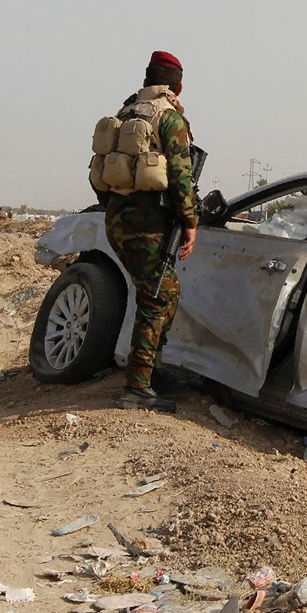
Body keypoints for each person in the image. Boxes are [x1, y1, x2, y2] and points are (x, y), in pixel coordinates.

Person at [90, 50, 198, 411]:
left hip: (117, 217)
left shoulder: (125, 114)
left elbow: (101, 172)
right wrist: (190, 222)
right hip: (148, 224)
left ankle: (149, 373)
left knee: (163, 292)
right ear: (176, 85)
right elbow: (182, 179)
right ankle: (137, 387)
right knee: (157, 296)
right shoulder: (169, 119)